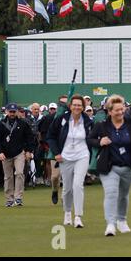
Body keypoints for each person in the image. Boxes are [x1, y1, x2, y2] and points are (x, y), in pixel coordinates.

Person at [87, 95, 131, 236]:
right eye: (117, 110)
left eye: (122, 109)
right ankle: (110, 224)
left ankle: (122, 221)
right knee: (111, 193)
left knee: (123, 195)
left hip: (128, 167)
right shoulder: (102, 125)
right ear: (110, 112)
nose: (120, 112)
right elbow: (89, 139)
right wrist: (99, 142)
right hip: (109, 167)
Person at [47, 95, 93, 228]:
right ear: (70, 106)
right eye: (75, 105)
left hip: (82, 156)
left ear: (83, 107)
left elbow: (93, 138)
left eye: (80, 105)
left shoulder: (88, 121)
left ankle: (78, 216)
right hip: (65, 157)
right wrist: (56, 153)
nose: (77, 107)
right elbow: (50, 136)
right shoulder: (62, 119)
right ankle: (67, 213)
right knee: (67, 188)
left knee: (78, 185)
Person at [0, 103, 35, 206]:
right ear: (6, 111)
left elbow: (29, 137)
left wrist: (29, 150)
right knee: (8, 177)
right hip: (5, 154)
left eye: (13, 111)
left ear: (16, 111)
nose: (12, 113)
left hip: (19, 152)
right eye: (10, 111)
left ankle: (18, 197)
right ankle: (9, 199)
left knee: (20, 173)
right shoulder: (0, 124)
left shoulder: (23, 123)